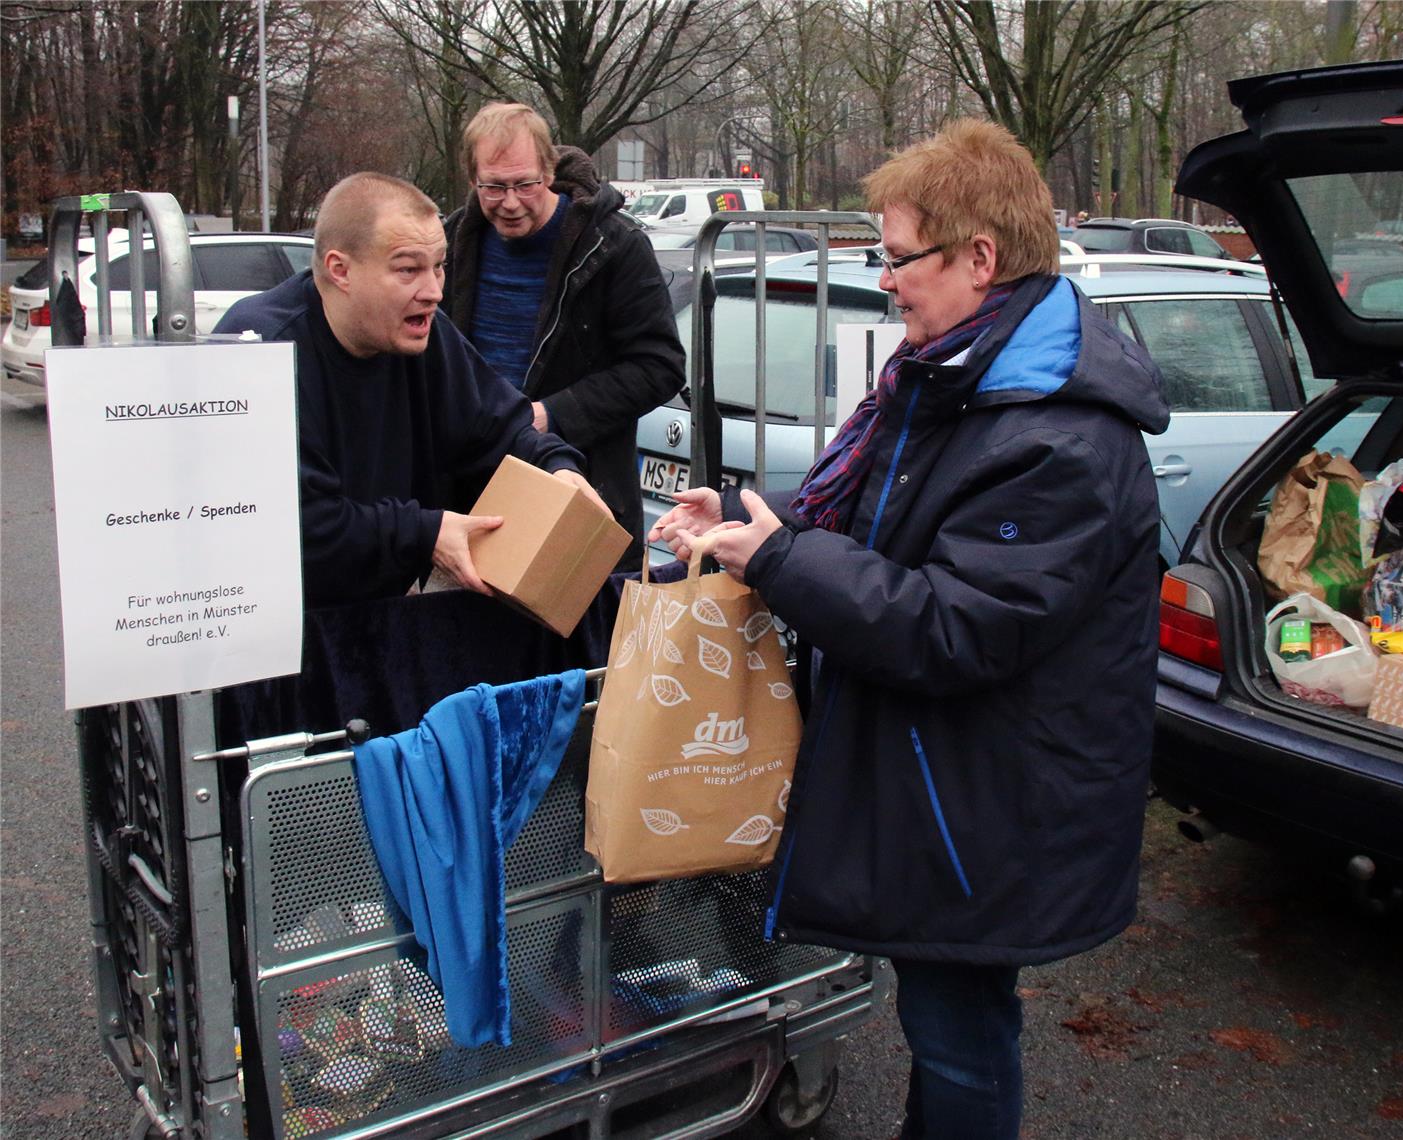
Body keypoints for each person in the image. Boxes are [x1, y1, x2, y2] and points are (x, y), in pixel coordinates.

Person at [651, 120, 1169, 1139]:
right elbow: (880, 516)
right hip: (951, 778)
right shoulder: (956, 376)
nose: (885, 284)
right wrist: (757, 519)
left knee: (958, 1031)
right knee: (944, 1020)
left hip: (994, 793)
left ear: (980, 257)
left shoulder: (1056, 435)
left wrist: (782, 560)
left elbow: (954, 626)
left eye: (897, 260)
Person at [216, 172, 604, 606]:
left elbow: (498, 429)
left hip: (382, 610)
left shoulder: (425, 335)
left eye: (439, 266)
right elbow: (294, 524)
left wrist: (555, 468)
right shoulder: (258, 351)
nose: (433, 291)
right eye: (408, 270)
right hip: (281, 622)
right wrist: (425, 532)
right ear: (340, 270)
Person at [441, 102, 685, 565]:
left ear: (550, 172)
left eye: (525, 184)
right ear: (472, 180)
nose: (510, 202)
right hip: (468, 493)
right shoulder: (451, 242)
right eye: (493, 187)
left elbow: (660, 367)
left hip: (581, 491)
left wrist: (550, 415)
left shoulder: (613, 245)